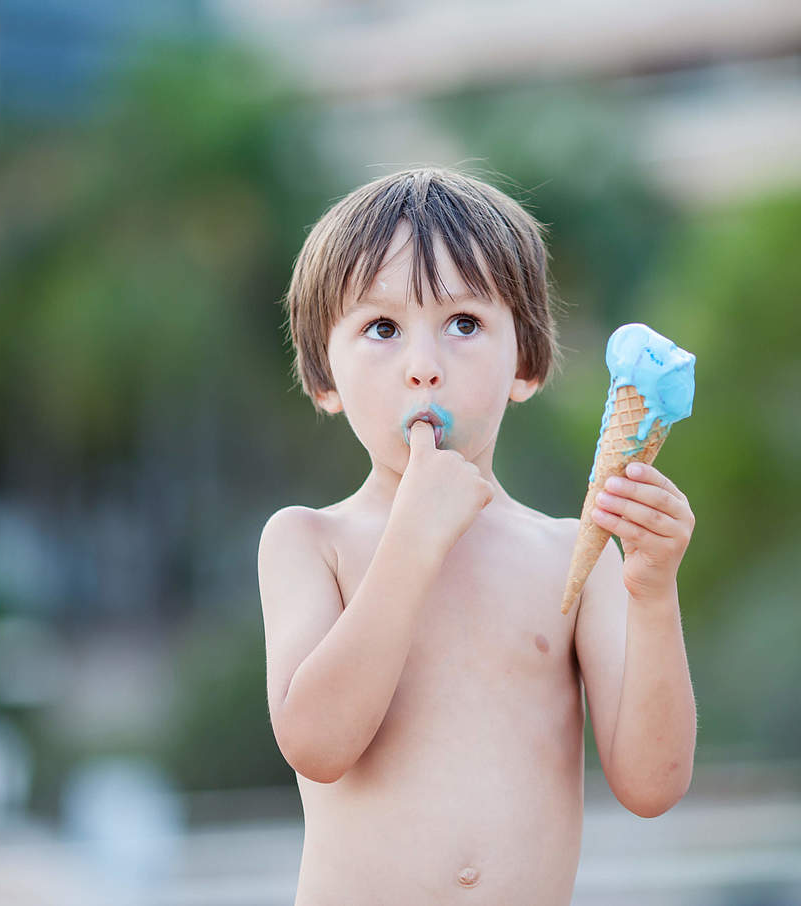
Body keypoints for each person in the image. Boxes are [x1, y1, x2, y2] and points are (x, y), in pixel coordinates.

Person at [258, 166, 697, 904]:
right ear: (324, 378)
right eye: (382, 329)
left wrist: (653, 591)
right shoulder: (310, 542)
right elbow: (317, 744)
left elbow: (653, 786)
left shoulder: (571, 557)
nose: (424, 368)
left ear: (523, 361)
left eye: (465, 325)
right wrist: (411, 544)